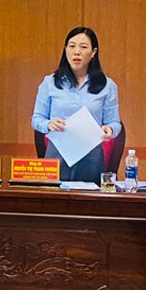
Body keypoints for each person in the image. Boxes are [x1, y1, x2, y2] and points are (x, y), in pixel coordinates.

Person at [31, 27, 121, 183]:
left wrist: (110, 129)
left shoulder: (107, 85)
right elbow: (36, 119)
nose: (77, 52)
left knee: (89, 203)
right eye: (72, 46)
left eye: (83, 47)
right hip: (58, 152)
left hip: (91, 155)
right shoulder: (50, 82)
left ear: (93, 53)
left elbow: (115, 123)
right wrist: (49, 124)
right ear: (65, 50)